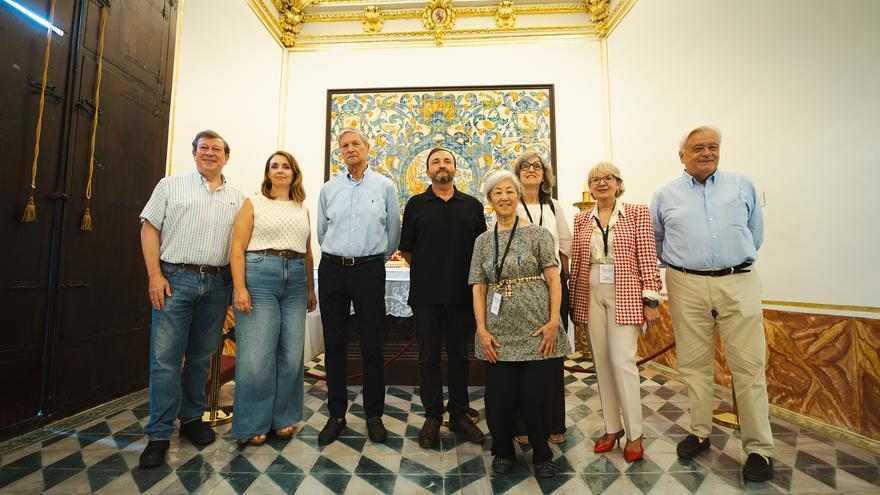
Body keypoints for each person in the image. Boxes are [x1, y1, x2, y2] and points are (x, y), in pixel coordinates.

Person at [651, 125, 773, 482]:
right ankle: (701, 431)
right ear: (682, 156)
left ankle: (758, 450)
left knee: (749, 368)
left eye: (712, 147)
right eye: (698, 148)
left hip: (739, 281)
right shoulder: (664, 195)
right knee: (693, 365)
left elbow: (755, 234)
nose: (706, 152)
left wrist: (729, 263)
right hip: (685, 283)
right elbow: (658, 241)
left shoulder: (742, 185)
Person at [138, 130, 245, 467]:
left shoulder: (239, 199)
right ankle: (158, 433)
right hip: (175, 279)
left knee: (201, 356)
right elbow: (149, 228)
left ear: (227, 157)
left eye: (217, 149)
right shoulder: (170, 186)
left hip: (217, 284)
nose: (210, 153)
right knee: (165, 358)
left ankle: (192, 420)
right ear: (194, 153)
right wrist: (155, 275)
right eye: (204, 148)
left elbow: (239, 246)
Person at [468, 170, 571, 479]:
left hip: (536, 326)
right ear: (489, 201)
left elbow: (554, 279)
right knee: (499, 396)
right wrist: (482, 330)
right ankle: (502, 449)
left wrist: (553, 322)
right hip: (498, 331)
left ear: (517, 196)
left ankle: (542, 452)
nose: (504, 197)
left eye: (509, 192)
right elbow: (478, 287)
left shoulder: (539, 234)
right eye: (497, 192)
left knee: (535, 394)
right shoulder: (483, 241)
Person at [569, 162, 662, 463]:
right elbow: (578, 263)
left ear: (618, 183)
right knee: (602, 364)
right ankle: (613, 427)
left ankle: (635, 433)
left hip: (625, 293)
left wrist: (651, 301)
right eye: (595, 179)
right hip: (591, 291)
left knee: (623, 363)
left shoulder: (636, 213)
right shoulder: (582, 218)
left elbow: (648, 257)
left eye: (607, 178)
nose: (601, 183)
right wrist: (575, 303)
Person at [315, 128, 401, 445]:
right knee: (334, 344)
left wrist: (372, 259)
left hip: (368, 270)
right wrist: (340, 256)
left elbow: (393, 233)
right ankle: (336, 414)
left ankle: (374, 415)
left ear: (367, 148)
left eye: (356, 144)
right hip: (333, 270)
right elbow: (323, 232)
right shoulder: (328, 189)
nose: (350, 149)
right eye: (344, 145)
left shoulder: (385, 186)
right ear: (340, 152)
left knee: (372, 344)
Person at [399, 148, 487, 449]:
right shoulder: (416, 204)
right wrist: (430, 272)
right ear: (428, 171)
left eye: (447, 161)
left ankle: (460, 414)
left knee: (461, 357)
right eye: (435, 162)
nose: (441, 166)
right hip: (426, 296)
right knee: (428, 358)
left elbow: (482, 250)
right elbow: (407, 250)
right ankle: (433, 416)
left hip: (463, 296)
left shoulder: (472, 206)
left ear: (455, 169)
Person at [229, 151, 317, 446]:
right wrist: (240, 288)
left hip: (295, 279)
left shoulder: (301, 208)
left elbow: (306, 251)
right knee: (257, 356)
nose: (280, 170)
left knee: (292, 354)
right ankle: (254, 422)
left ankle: (283, 417)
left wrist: (309, 289)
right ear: (267, 173)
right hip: (260, 275)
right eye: (274, 166)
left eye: (286, 166)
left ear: (294, 172)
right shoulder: (253, 202)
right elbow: (238, 248)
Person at [512, 151, 572, 445]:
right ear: (518, 172)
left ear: (545, 174)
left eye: (537, 166)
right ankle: (523, 422)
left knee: (551, 355)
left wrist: (560, 280)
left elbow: (564, 244)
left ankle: (553, 421)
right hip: (520, 290)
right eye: (526, 166)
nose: (532, 170)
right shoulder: (511, 205)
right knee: (524, 357)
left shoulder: (554, 206)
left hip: (552, 288)